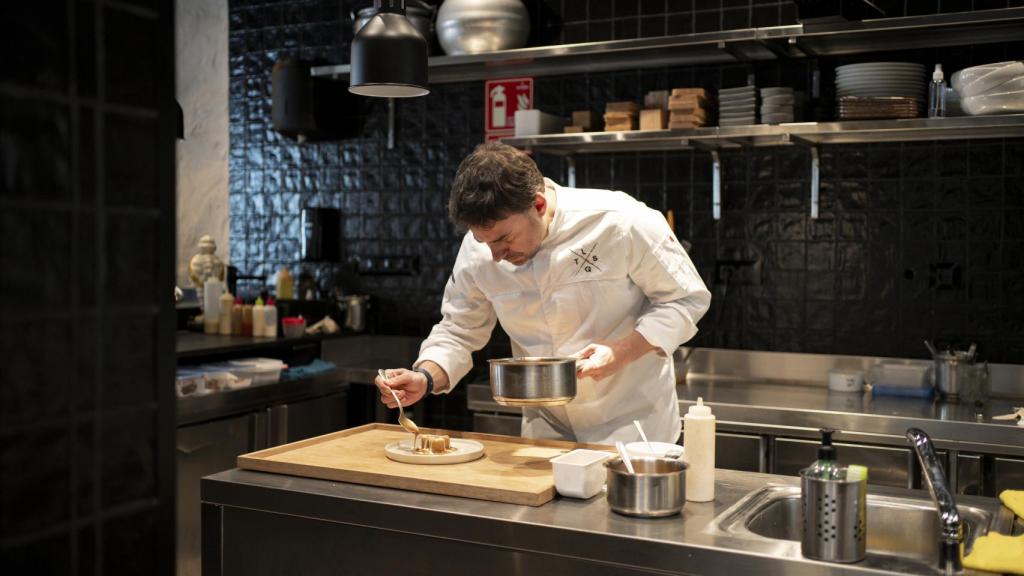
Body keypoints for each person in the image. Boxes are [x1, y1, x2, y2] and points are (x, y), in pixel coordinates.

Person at [375, 142, 711, 444]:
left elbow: (686, 298)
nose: (495, 255)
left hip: (633, 426)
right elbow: (459, 329)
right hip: (546, 429)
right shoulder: (481, 250)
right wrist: (425, 376)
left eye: (504, 239)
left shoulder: (619, 221)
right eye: (485, 242)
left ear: (537, 205)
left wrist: (621, 352)